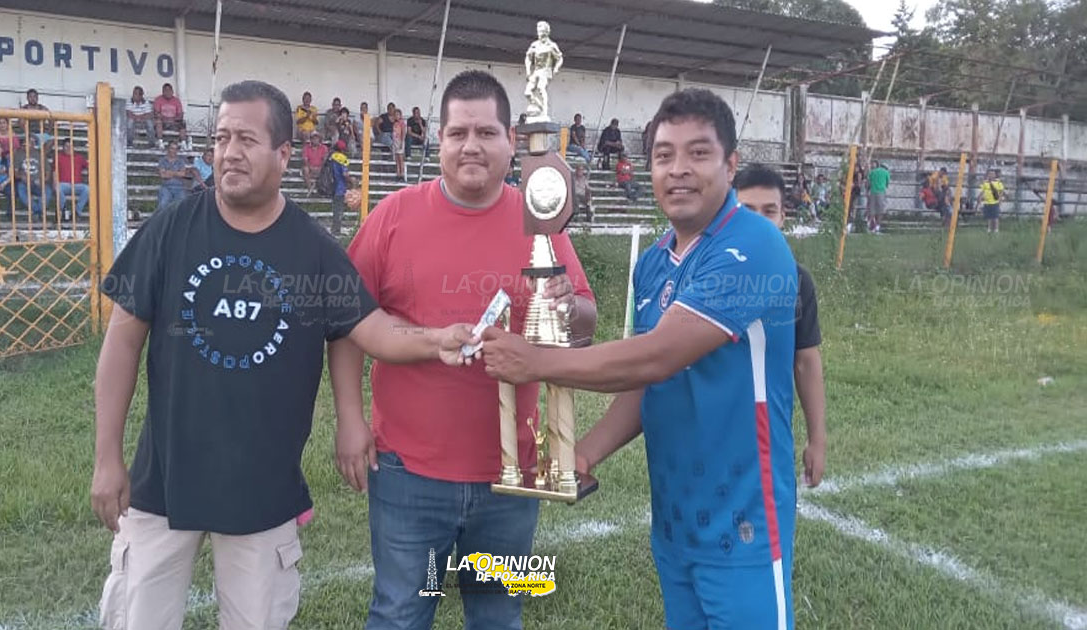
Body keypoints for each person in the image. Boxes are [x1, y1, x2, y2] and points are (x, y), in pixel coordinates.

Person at [92, 79, 478, 630]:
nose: (229, 152)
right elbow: (122, 342)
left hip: (263, 494)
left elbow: (369, 330)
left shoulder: (312, 250)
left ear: (282, 153)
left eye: (246, 139)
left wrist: (436, 339)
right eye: (222, 137)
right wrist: (108, 457)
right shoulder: (170, 230)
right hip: (163, 483)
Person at [480, 89, 798, 630]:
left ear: (731, 164)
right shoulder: (652, 265)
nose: (679, 170)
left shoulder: (754, 245)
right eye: (664, 155)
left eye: (698, 153)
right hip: (675, 520)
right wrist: (583, 454)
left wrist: (534, 361)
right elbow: (649, 386)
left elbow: (655, 357)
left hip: (744, 519)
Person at [329, 69, 597, 630]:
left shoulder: (541, 221)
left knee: (498, 614)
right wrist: (349, 422)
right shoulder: (394, 217)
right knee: (403, 612)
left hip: (512, 475)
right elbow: (348, 324)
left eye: (486, 132)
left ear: (509, 142)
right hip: (408, 473)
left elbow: (585, 322)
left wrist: (568, 305)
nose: (471, 145)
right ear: (440, 140)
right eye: (457, 133)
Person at [733, 164, 827, 489]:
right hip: (707, 439)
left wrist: (818, 438)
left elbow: (806, 361)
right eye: (747, 210)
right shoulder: (705, 276)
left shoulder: (797, 281)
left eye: (769, 211)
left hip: (769, 442)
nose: (759, 221)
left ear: (782, 218)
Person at [55, 138, 90, 220]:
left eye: (70, 146)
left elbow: (89, 167)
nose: (68, 148)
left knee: (87, 189)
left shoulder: (79, 157)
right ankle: (64, 210)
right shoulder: (58, 157)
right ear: (63, 147)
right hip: (63, 184)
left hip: (77, 185)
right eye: (66, 146)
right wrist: (54, 183)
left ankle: (77, 212)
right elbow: (54, 171)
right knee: (58, 188)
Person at [327, 139, 356, 234]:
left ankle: (334, 228)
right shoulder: (342, 158)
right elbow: (345, 174)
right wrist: (352, 181)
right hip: (340, 187)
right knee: (339, 210)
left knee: (335, 209)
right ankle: (336, 230)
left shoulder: (330, 157)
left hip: (332, 186)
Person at [156, 140, 192, 210]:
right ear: (168, 149)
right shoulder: (162, 161)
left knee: (182, 205)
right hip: (166, 187)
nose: (174, 151)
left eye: (176, 149)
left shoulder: (180, 161)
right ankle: (162, 220)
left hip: (179, 187)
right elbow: (163, 175)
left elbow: (182, 174)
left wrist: (169, 172)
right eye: (172, 148)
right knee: (163, 203)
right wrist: (176, 173)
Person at [153, 83, 188, 149]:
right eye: (165, 90)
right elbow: (156, 113)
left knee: (183, 122)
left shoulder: (176, 100)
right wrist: (166, 119)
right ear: (163, 91)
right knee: (158, 122)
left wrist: (172, 119)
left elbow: (180, 114)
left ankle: (183, 143)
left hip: (174, 122)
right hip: (163, 122)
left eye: (169, 90)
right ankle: (160, 142)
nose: (167, 92)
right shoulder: (158, 99)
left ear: (172, 91)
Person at [976, 168, 1006, 233]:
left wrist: (1000, 201)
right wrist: (980, 199)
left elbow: (1001, 192)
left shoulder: (998, 183)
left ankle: (996, 229)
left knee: (995, 216)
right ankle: (989, 229)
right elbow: (982, 191)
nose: (991, 175)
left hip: (995, 202)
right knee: (989, 217)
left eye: (992, 174)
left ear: (995, 175)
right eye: (989, 174)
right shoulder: (985, 183)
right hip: (987, 202)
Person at [302, 131, 328, 196]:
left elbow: (325, 160)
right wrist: (310, 167)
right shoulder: (306, 148)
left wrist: (320, 168)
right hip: (310, 168)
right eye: (313, 138)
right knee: (305, 169)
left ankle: (322, 190)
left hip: (321, 168)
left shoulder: (324, 148)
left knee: (326, 169)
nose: (315, 140)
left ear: (319, 139)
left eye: (317, 138)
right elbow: (305, 159)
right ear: (311, 139)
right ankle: (310, 189)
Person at [867, 160, 890, 234]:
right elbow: (887, 183)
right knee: (880, 210)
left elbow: (868, 182)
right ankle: (877, 227)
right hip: (881, 192)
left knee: (872, 210)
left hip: (873, 191)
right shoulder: (886, 173)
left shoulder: (872, 172)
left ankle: (869, 227)